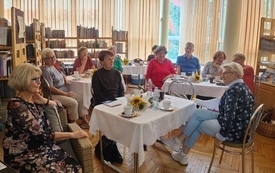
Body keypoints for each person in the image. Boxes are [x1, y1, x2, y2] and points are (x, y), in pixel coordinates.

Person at [161, 62, 254, 166]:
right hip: (237, 125)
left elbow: (229, 116)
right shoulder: (241, 87)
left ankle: (182, 155)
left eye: (225, 73)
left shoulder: (234, 90)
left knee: (198, 125)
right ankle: (177, 141)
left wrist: (221, 136)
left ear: (236, 74)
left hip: (234, 131)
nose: (222, 76)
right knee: (198, 113)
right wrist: (197, 101)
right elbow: (226, 110)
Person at [3, 63, 88, 172]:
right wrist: (73, 134)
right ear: (23, 81)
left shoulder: (34, 99)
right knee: (71, 170)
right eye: (35, 79)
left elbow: (60, 109)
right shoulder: (16, 105)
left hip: (43, 147)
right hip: (24, 154)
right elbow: (41, 135)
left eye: (39, 79)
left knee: (77, 167)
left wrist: (45, 101)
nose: (39, 83)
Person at [41, 48, 90, 129]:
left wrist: (65, 79)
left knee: (81, 98)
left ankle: (84, 119)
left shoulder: (53, 66)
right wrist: (65, 94)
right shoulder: (46, 70)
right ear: (44, 59)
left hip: (64, 91)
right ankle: (74, 126)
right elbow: (50, 88)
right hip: (54, 95)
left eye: (54, 56)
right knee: (73, 103)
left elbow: (61, 74)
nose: (53, 59)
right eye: (50, 58)